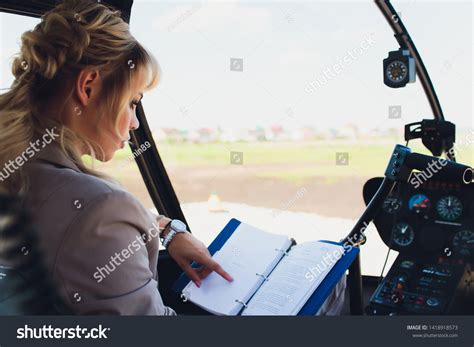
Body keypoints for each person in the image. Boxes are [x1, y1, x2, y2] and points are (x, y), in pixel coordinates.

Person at [0, 0, 345, 315]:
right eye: (133, 102)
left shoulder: (22, 173)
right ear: (88, 86)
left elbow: (66, 214)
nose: (134, 123)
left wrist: (167, 230)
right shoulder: (98, 209)